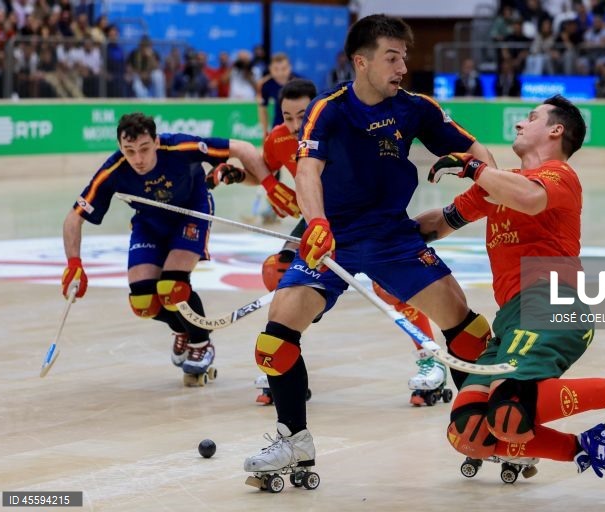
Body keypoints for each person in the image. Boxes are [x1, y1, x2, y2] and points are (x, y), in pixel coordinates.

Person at [242, 14, 497, 484]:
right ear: (361, 61)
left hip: (393, 239)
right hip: (331, 242)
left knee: (468, 328)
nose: (402, 67)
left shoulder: (416, 107)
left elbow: (482, 155)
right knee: (275, 339)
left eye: (405, 57)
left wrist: (458, 212)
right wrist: (316, 223)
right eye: (392, 57)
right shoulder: (329, 108)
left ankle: (489, 430)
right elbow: (306, 172)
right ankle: (294, 443)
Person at [416, 95, 605, 479]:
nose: (519, 124)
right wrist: (374, 236)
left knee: (510, 405)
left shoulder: (558, 176)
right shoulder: (497, 186)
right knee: (469, 429)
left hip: (550, 302)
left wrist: (475, 167)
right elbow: (438, 224)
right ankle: (586, 448)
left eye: (531, 118)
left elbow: (530, 200)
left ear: (555, 130)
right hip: (513, 316)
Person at [209, 78, 448, 406]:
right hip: (318, 218)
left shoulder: (343, 129)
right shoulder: (278, 138)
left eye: (301, 116)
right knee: (280, 275)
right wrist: (238, 175)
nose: (294, 126)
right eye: (287, 117)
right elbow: (266, 168)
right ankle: (285, 354)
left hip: (368, 219)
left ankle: (429, 357)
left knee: (389, 288)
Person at [61, 112, 300, 386]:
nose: (138, 159)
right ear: (120, 148)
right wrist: (74, 264)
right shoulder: (113, 170)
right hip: (149, 223)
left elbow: (241, 148)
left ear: (156, 141)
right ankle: (181, 329)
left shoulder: (179, 147)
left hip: (192, 213)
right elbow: (74, 218)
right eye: (129, 151)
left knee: (172, 287)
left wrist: (270, 186)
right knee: (143, 302)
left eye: (144, 149)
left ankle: (201, 342)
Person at [257, 52, 299, 137]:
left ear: (290, 68)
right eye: (276, 69)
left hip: (298, 124)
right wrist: (265, 131)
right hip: (278, 124)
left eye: (284, 69)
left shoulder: (300, 82)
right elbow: (262, 108)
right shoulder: (266, 84)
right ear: (270, 69)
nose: (280, 73)